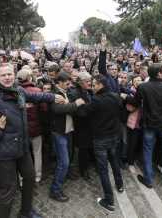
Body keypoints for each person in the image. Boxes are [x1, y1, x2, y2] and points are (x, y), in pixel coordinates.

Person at [0, 64, 63, 218]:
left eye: (10, 74)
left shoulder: (19, 90)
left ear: (14, 75)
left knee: (29, 179)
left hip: (22, 147)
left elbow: (35, 96)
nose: (7, 77)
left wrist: (53, 96)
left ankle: (26, 211)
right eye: (3, 75)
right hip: (5, 152)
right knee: (8, 189)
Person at [78, 74, 125, 212]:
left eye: (94, 84)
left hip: (101, 138)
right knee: (114, 161)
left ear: (101, 85)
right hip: (114, 135)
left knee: (103, 169)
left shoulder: (96, 100)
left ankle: (109, 200)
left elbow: (82, 113)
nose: (92, 86)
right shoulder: (115, 96)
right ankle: (120, 184)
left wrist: (80, 104)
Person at [49, 72, 85, 202]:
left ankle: (67, 174)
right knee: (63, 162)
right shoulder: (54, 94)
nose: (69, 85)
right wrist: (76, 104)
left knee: (69, 157)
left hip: (68, 130)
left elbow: (68, 109)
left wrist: (70, 104)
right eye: (67, 83)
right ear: (59, 82)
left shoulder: (65, 92)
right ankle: (55, 190)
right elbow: (59, 110)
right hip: (59, 133)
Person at [17, 69, 45, 183]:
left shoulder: (15, 92)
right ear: (29, 78)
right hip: (36, 128)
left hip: (21, 129)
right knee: (37, 153)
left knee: (23, 154)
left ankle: (22, 178)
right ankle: (38, 175)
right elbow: (44, 109)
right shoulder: (37, 91)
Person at [68, 71, 94, 180]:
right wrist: (92, 108)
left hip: (90, 125)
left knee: (88, 147)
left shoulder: (90, 91)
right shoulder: (74, 93)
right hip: (81, 126)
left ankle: (89, 164)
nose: (90, 83)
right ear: (80, 82)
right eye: (87, 81)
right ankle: (83, 170)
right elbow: (79, 112)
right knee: (82, 148)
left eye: (90, 81)